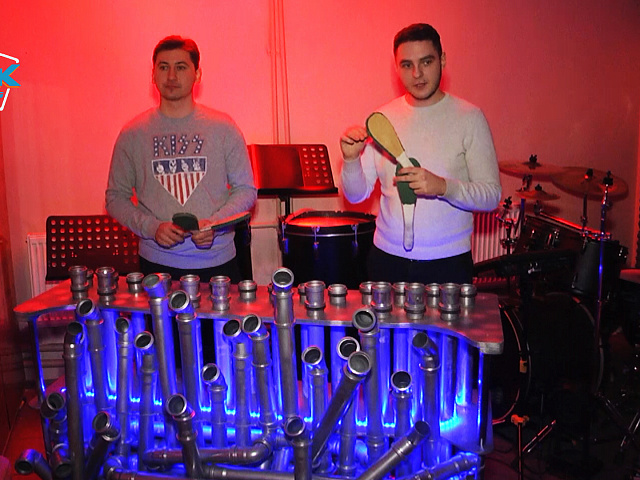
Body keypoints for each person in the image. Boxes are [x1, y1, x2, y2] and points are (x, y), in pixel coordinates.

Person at [340, 23, 501, 285]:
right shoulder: (383, 119)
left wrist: (443, 187)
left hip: (449, 264)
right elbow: (356, 195)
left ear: (442, 60)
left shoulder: (469, 118)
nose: (417, 74)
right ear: (397, 68)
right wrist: (350, 160)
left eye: (426, 62)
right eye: (407, 65)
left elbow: (491, 196)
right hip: (386, 261)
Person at [106, 35, 257, 284]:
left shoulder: (223, 128)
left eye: (181, 67)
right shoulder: (132, 134)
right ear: (153, 74)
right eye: (163, 67)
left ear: (197, 74)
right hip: (156, 265)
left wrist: (215, 224)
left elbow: (246, 190)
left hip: (218, 264)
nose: (172, 76)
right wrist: (152, 227)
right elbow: (115, 198)